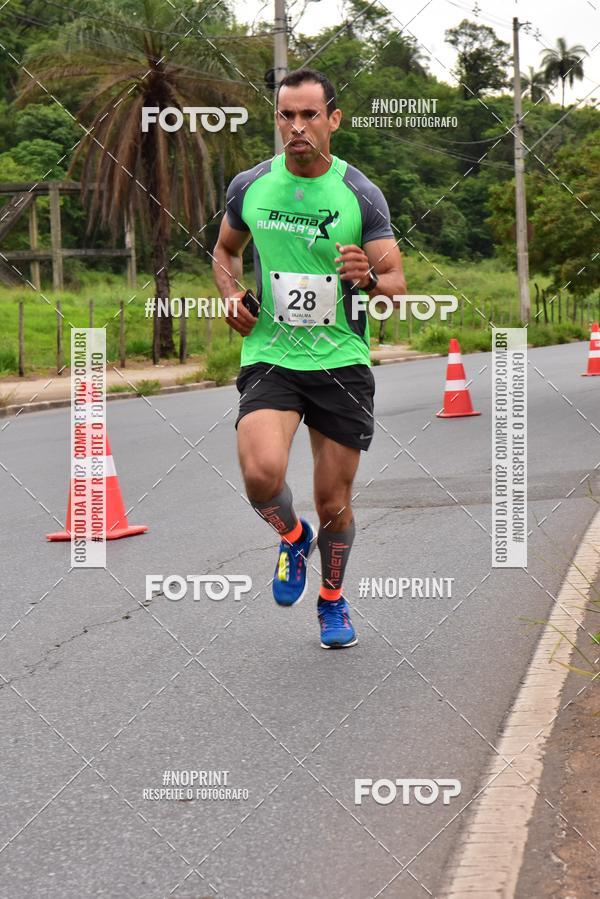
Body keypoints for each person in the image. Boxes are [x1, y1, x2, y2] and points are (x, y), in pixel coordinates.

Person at [212, 68, 406, 648]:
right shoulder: (250, 186)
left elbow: (396, 283)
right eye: (286, 116)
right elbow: (225, 251)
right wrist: (229, 295)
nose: (297, 128)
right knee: (260, 475)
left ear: (333, 120)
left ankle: (332, 600)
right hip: (270, 352)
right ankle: (292, 537)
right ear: (278, 119)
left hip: (341, 360)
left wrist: (369, 276)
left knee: (333, 501)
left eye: (309, 116)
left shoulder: (360, 194)